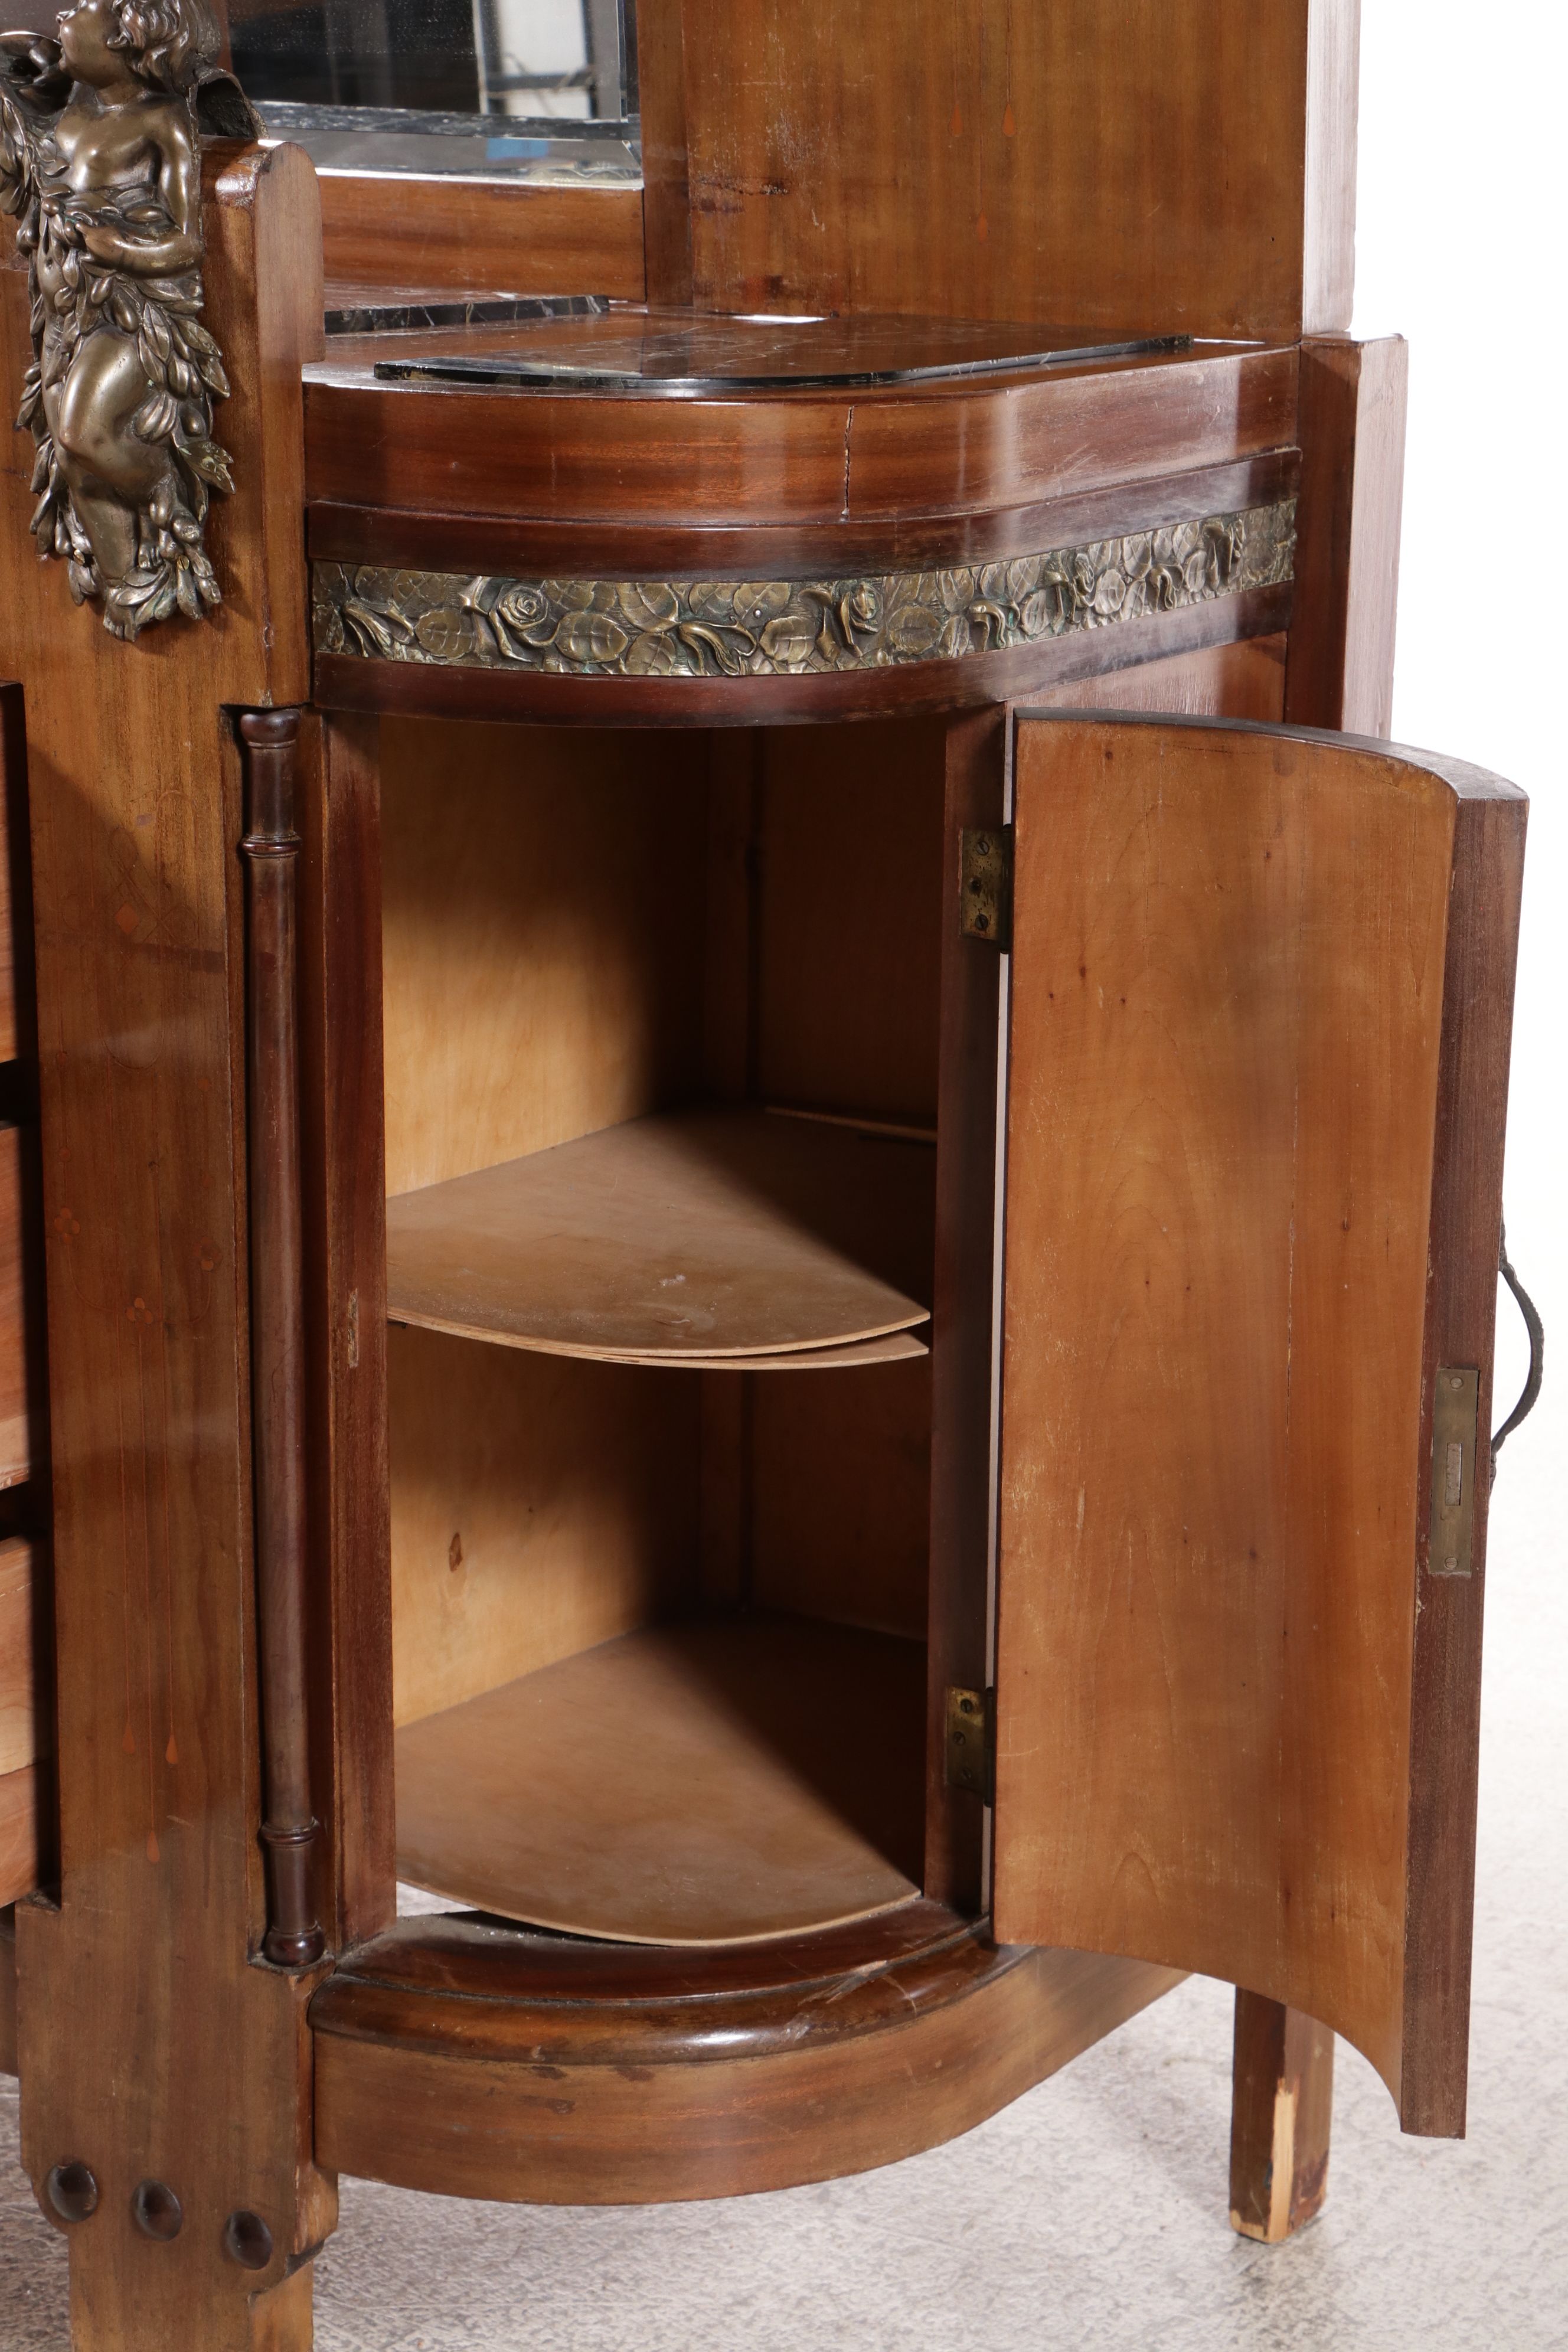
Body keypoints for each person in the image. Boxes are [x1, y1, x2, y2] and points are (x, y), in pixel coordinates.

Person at [0, 0, 249, 634]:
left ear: (123, 37)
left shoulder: (160, 121)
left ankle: (164, 485)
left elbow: (188, 242)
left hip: (132, 312)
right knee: (71, 457)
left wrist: (121, 248)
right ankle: (129, 588)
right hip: (62, 310)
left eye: (77, 11)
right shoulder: (65, 113)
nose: (60, 19)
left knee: (86, 435)